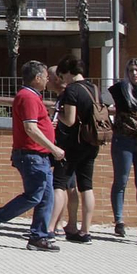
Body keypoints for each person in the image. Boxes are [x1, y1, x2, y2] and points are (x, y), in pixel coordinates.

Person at [0, 61, 63, 252]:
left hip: (39, 155)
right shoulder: (28, 97)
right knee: (34, 196)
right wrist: (53, 148)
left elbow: (35, 125)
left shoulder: (32, 97)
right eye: (46, 77)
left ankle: (38, 236)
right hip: (31, 155)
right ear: (37, 78)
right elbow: (30, 128)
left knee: (46, 197)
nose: (48, 80)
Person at [52, 56, 102, 244]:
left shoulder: (72, 90)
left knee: (59, 183)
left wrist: (56, 115)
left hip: (73, 144)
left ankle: (51, 227)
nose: (62, 79)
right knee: (86, 186)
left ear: (68, 72)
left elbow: (70, 120)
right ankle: (85, 231)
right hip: (92, 142)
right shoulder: (94, 88)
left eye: (62, 75)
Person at [108, 58, 137, 239]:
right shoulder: (119, 90)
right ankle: (119, 221)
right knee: (121, 181)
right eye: (131, 70)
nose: (134, 73)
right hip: (123, 141)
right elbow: (102, 105)